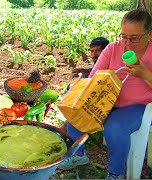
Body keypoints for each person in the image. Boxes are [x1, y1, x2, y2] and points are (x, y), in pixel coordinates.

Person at [59, 8, 152, 179]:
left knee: (115, 127)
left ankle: (117, 173)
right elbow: (94, 76)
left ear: (150, 34)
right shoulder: (113, 48)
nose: (128, 43)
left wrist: (145, 73)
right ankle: (79, 156)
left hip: (138, 106)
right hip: (107, 101)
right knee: (75, 109)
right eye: (124, 36)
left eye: (134, 38)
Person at [61, 37, 109, 132]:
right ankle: (69, 122)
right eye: (92, 51)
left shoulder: (110, 63)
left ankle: (68, 126)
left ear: (107, 51)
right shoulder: (98, 62)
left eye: (98, 51)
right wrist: (81, 70)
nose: (94, 54)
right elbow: (94, 69)